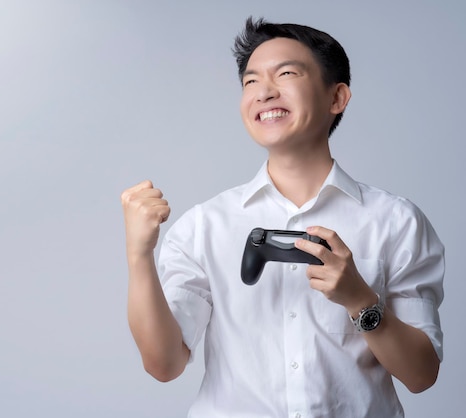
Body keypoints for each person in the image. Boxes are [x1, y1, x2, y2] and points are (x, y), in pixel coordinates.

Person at [120, 17, 444, 417]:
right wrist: (139, 255)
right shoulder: (205, 226)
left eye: (286, 73)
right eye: (251, 81)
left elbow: (421, 375)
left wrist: (360, 300)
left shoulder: (396, 222)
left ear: (337, 98)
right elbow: (163, 364)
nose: (264, 92)